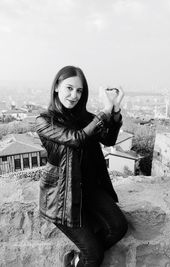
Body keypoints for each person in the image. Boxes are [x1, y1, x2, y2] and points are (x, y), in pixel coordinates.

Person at [36, 66, 128, 267]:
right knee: (95, 256)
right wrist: (104, 111)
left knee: (119, 227)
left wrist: (115, 110)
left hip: (89, 188)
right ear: (57, 87)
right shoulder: (44, 121)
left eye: (79, 91)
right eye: (69, 88)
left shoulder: (86, 119)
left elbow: (109, 140)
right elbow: (75, 139)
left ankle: (80, 258)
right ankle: (86, 256)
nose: (74, 95)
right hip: (61, 196)